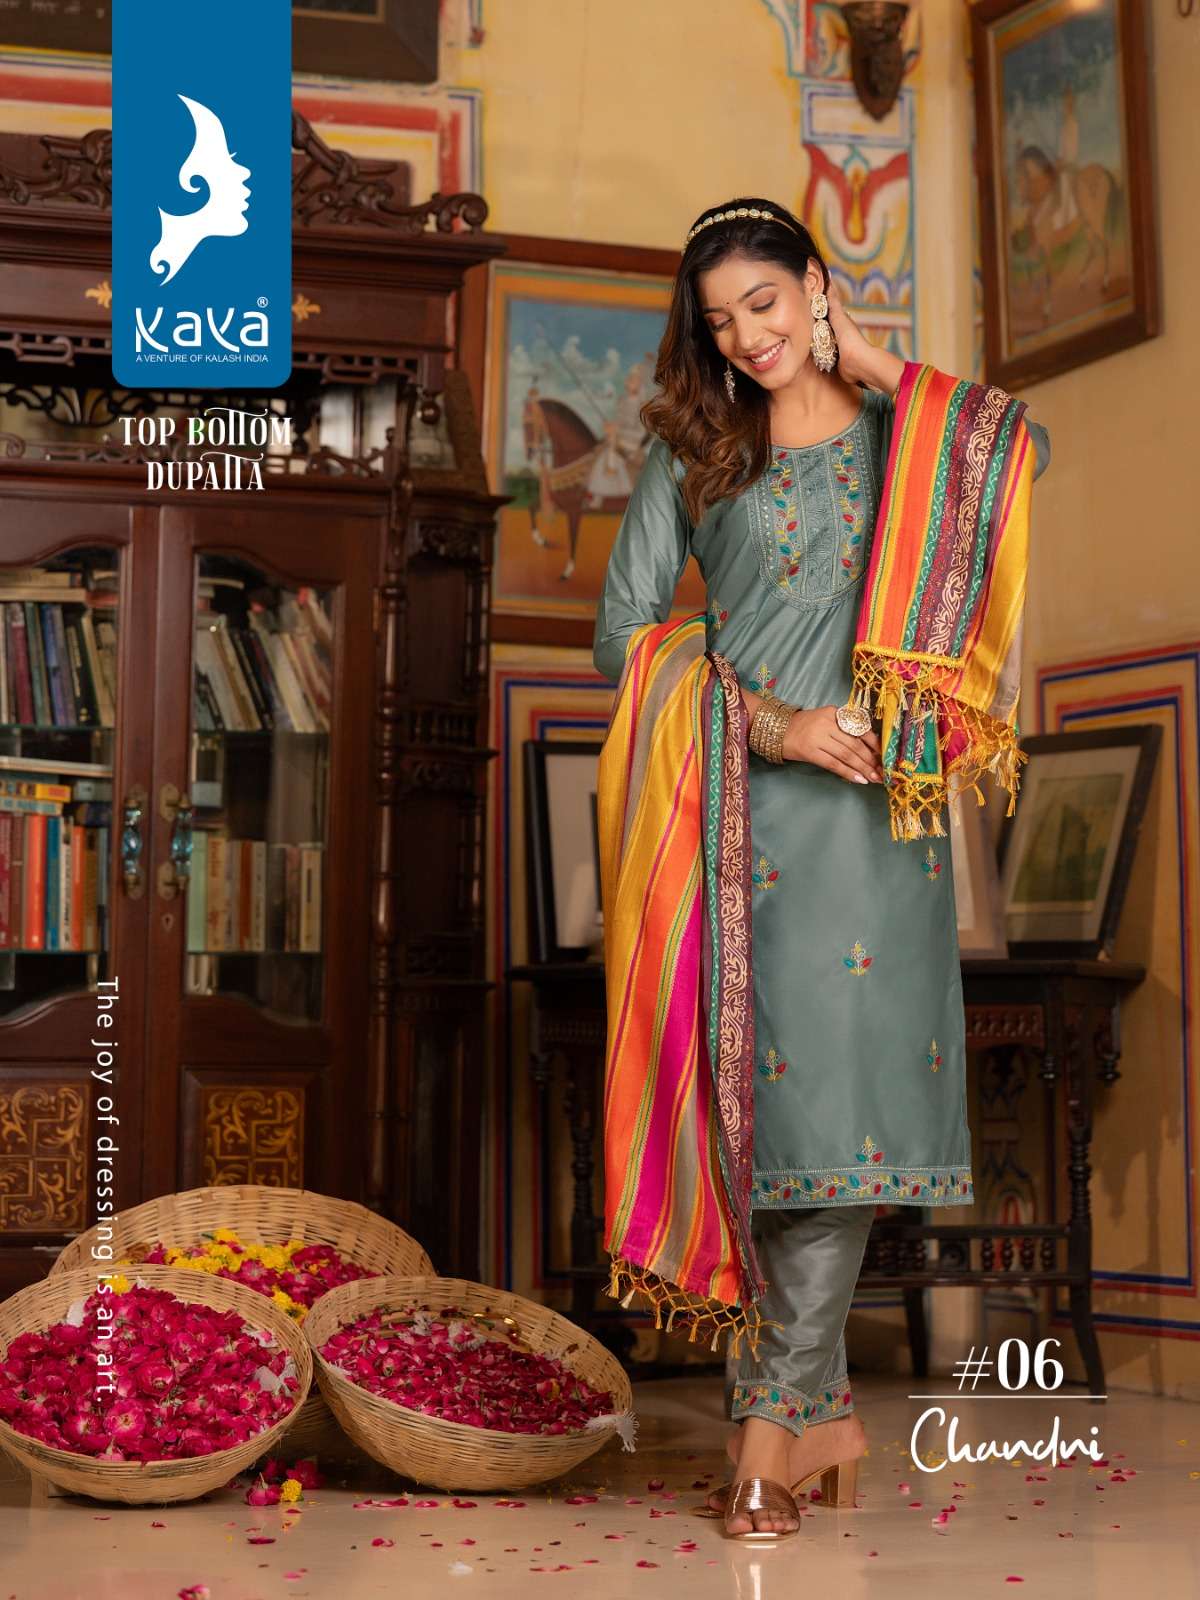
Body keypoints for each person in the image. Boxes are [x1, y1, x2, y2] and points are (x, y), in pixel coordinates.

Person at [592, 197, 1050, 1540]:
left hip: (876, 829)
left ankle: (769, 1434)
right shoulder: (695, 452)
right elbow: (625, 633)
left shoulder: (908, 437)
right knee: (757, 1132)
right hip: (734, 818)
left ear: (815, 285)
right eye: (722, 321)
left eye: (767, 303)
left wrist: (872, 363)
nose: (749, 337)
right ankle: (812, 1418)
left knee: (838, 1138)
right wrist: (769, 724)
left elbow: (1019, 448)